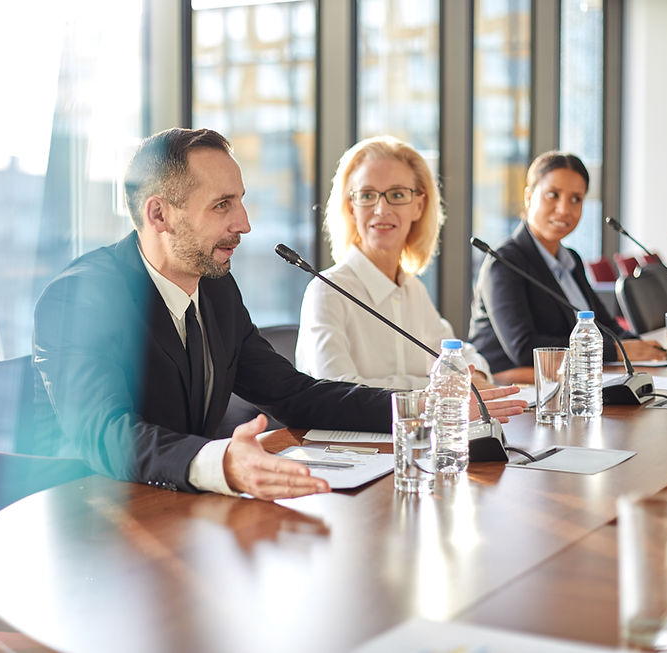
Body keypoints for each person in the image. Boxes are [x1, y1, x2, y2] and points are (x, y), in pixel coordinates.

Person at [33, 128, 526, 501]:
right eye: (222, 205)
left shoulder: (216, 290)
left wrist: (422, 406)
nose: (244, 223)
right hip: (94, 522)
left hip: (181, 509)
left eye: (241, 201)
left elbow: (297, 394)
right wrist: (219, 462)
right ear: (159, 214)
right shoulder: (81, 297)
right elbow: (105, 433)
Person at [296, 136, 493, 390]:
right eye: (367, 195)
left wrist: (476, 375)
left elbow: (458, 353)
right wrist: (435, 386)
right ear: (351, 208)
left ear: (419, 206)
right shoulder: (327, 292)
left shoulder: (412, 290)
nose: (381, 209)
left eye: (397, 194)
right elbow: (338, 390)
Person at [468, 151, 665, 374]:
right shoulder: (504, 262)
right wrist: (616, 351)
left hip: (572, 376)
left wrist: (647, 348)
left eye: (575, 199)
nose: (564, 209)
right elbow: (523, 349)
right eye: (553, 195)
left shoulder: (571, 260)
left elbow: (605, 326)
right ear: (529, 197)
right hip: (513, 382)